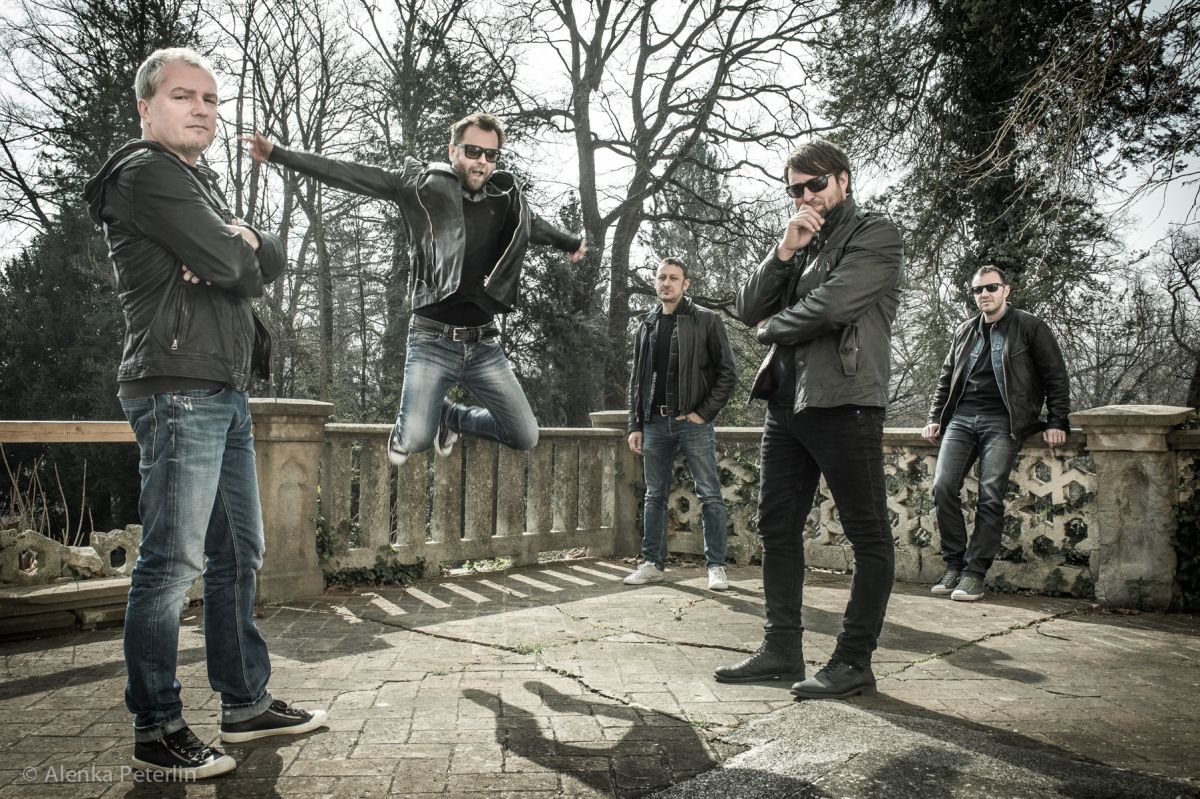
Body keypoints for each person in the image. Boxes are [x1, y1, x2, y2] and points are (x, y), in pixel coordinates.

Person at [83, 47, 327, 779]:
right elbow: (234, 268)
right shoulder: (147, 174)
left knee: (238, 552)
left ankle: (244, 702)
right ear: (146, 108)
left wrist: (241, 241)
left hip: (221, 388)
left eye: (211, 99)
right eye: (183, 95)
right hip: (176, 388)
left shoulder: (199, 183)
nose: (201, 109)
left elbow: (262, 257)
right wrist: (233, 249)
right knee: (170, 563)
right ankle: (156, 727)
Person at [243, 114, 586, 464]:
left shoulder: (505, 198)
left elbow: (533, 226)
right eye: (472, 151)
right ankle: (420, 425)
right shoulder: (420, 186)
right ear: (453, 150)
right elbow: (347, 172)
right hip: (432, 339)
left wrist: (571, 242)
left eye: (491, 154)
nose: (482, 161)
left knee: (526, 434)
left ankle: (452, 417)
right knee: (416, 439)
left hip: (483, 343)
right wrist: (277, 153)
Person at [715, 140, 904, 700]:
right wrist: (783, 251)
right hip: (786, 402)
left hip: (845, 399)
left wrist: (772, 330)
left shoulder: (875, 234)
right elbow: (747, 308)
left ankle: (853, 661)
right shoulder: (801, 241)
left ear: (843, 179)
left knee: (867, 534)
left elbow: (833, 306)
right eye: (795, 189)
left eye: (815, 184)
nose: (805, 196)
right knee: (776, 527)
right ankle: (781, 649)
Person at [922, 266, 1070, 601]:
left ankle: (974, 574)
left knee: (990, 494)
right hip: (962, 419)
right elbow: (946, 378)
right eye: (978, 290)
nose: (984, 294)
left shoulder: (1030, 326)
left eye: (991, 287)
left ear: (1006, 290)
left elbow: (1055, 376)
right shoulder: (964, 331)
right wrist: (934, 417)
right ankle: (954, 566)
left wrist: (1057, 421)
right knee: (942, 487)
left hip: (1004, 421)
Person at [624, 257, 738, 591]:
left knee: (710, 494)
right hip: (654, 423)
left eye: (674, 278)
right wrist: (635, 424)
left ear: (686, 284)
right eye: (661, 277)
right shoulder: (647, 324)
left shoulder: (707, 320)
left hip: (693, 422)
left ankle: (716, 567)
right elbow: (637, 381)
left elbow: (727, 373)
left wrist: (704, 413)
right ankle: (652, 564)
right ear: (655, 282)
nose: (666, 283)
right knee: (654, 495)